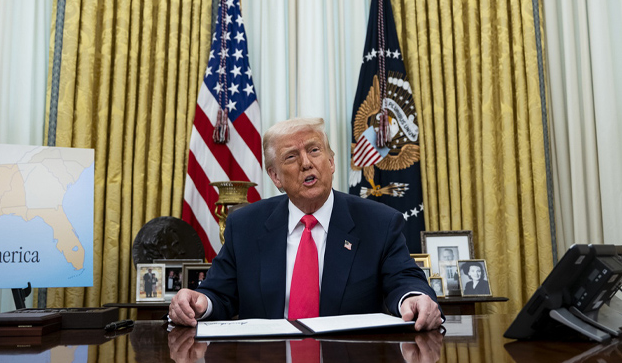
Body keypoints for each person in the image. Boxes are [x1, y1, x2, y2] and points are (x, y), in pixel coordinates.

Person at [169, 117, 443, 331]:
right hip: (267, 361)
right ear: (275, 177)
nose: (306, 163)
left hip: (349, 359)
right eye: (291, 156)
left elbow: (405, 280)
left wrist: (413, 299)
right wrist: (199, 303)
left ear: (331, 162)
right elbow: (218, 293)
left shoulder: (378, 222)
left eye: (314, 150)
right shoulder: (245, 225)